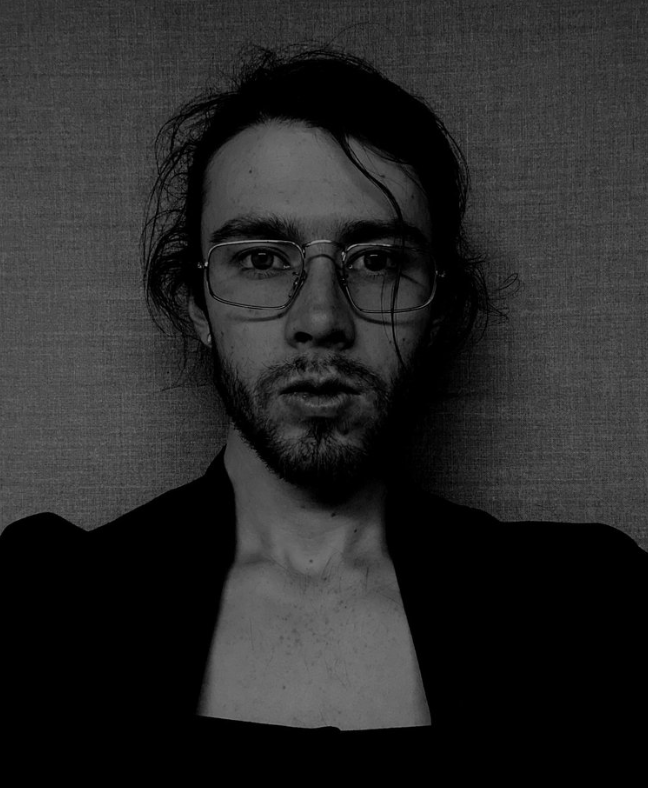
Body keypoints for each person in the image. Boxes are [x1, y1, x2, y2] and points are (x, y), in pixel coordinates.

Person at [2, 47, 646, 781]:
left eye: (376, 261)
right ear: (196, 305)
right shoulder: (47, 609)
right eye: (260, 258)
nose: (320, 319)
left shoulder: (588, 609)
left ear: (437, 307)